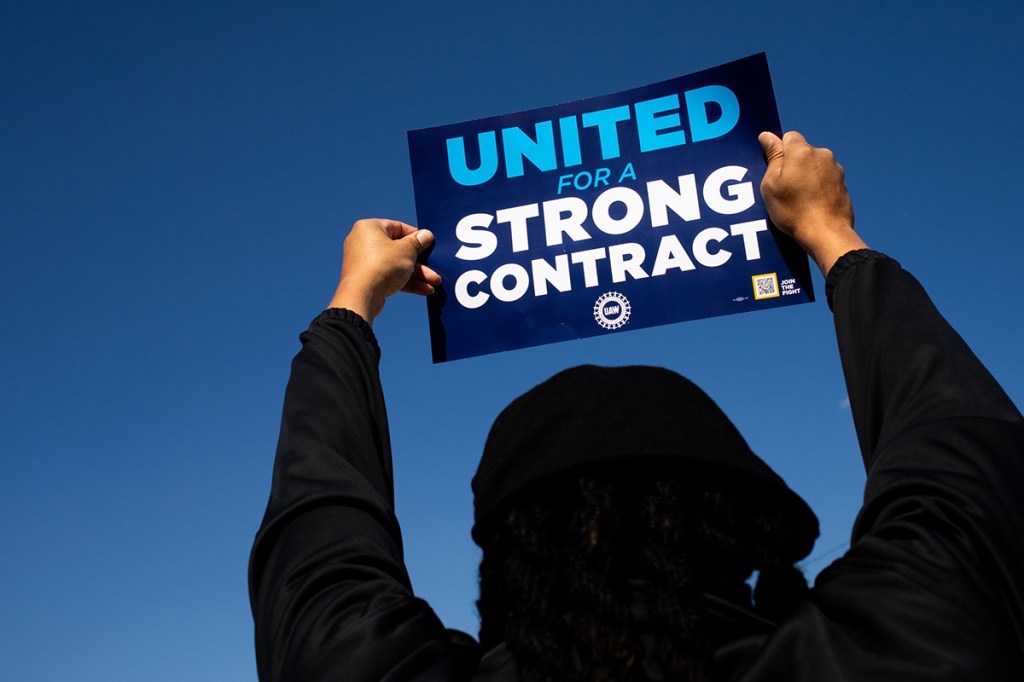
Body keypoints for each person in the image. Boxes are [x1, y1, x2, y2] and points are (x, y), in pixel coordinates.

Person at [248, 132, 1024, 680]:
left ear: (501, 548)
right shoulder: (902, 643)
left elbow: (319, 537)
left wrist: (353, 302)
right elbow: (959, 447)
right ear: (742, 523)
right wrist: (829, 230)